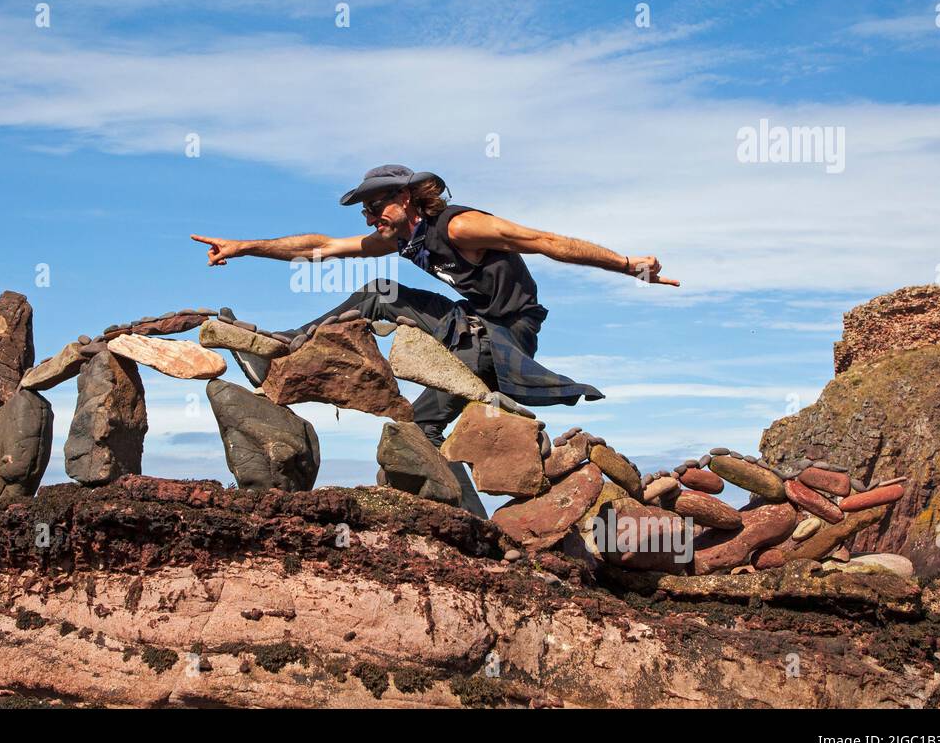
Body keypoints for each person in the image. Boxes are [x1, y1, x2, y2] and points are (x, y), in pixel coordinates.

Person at [192, 164, 679, 517]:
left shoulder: (460, 226)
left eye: (375, 207)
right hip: (474, 335)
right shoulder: (406, 239)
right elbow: (322, 247)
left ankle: (286, 350)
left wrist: (627, 264)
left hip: (501, 337)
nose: (368, 220)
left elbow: (542, 241)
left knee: (379, 294)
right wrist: (247, 247)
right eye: (365, 212)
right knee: (420, 428)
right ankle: (472, 525)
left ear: (405, 199)